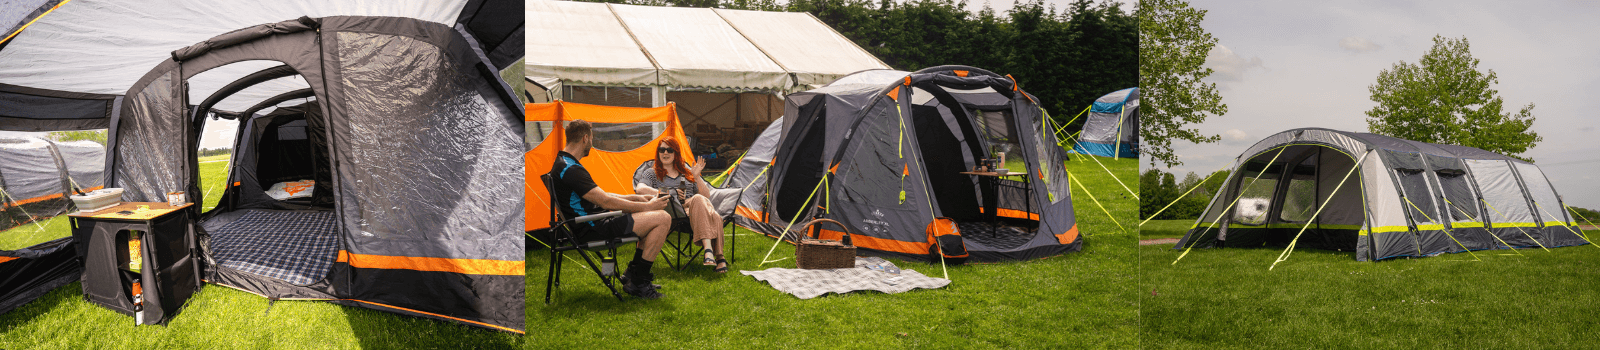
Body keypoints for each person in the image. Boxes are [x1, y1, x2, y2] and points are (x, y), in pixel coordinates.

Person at [550, 120, 674, 299]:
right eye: (592, 138)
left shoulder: (564, 163)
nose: (591, 143)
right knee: (662, 218)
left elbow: (600, 195)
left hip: (590, 223)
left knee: (651, 216)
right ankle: (638, 283)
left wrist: (636, 198)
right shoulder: (570, 169)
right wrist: (647, 206)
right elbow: (605, 201)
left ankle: (633, 274)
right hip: (593, 228)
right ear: (585, 138)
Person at [633, 137, 728, 273]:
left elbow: (706, 195)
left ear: (676, 153)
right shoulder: (652, 172)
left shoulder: (686, 172)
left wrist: (697, 177)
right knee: (713, 213)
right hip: (674, 210)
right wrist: (669, 192)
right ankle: (717, 256)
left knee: (700, 201)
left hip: (695, 209)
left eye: (669, 150)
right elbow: (640, 189)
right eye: (662, 150)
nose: (665, 153)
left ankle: (711, 254)